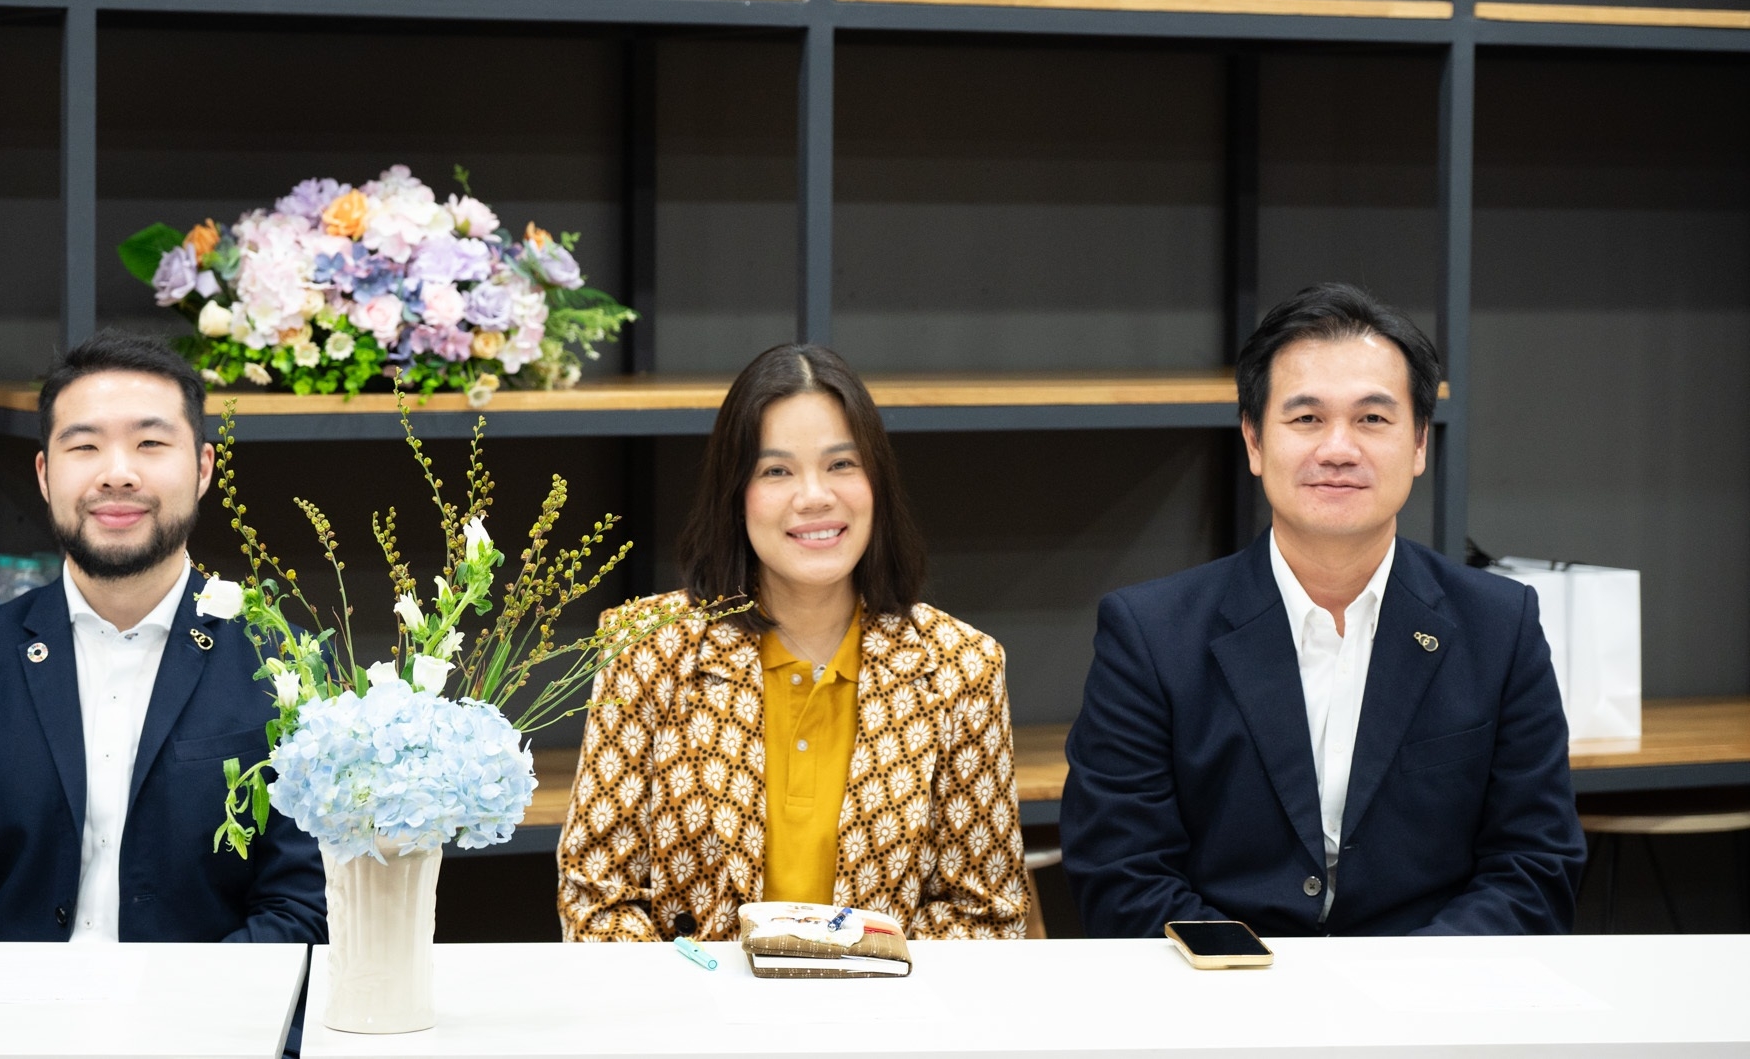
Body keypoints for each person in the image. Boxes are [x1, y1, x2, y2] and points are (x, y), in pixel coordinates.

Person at [1061, 283, 1585, 937]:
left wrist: (1406, 992)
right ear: (1253, 441)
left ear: (1420, 442)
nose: (1338, 448)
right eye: (1306, 418)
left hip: (1431, 1011)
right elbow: (1121, 872)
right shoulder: (1150, 634)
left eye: (1373, 419)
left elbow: (1535, 864)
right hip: (1226, 1006)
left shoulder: (1499, 626)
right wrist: (1267, 992)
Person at [0, 331, 325, 949]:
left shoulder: (287, 666)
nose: (118, 474)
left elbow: (305, 904)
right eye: (84, 445)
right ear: (45, 474)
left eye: (151, 444)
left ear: (203, 469)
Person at [558, 344, 1027, 940]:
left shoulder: (962, 666)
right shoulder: (648, 651)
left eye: (841, 465)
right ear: (736, 493)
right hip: (697, 1024)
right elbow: (598, 899)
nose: (814, 496)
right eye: (776, 471)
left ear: (876, 481)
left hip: (885, 1022)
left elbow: (986, 911)